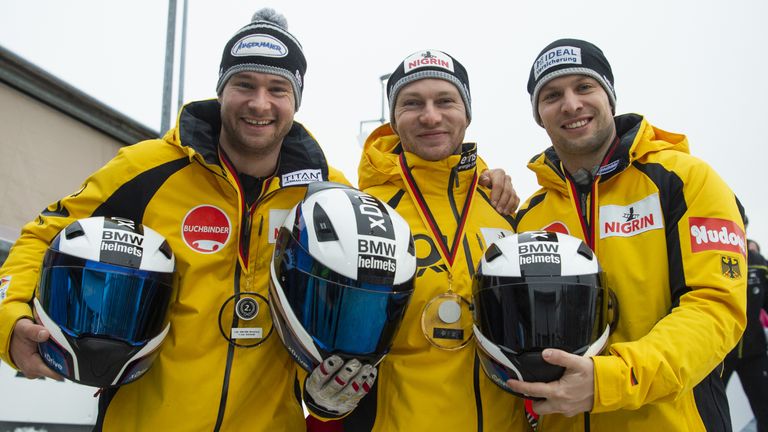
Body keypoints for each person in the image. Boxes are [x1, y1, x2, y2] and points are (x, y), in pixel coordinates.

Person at [0, 10, 517, 432]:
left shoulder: (328, 194)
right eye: (244, 85)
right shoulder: (146, 169)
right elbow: (43, 235)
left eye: (278, 89)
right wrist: (11, 323)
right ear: (222, 90)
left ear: (296, 100)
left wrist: (328, 396)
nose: (260, 104)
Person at [510, 38, 746, 431]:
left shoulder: (683, 179)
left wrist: (611, 380)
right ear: (539, 115)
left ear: (610, 96)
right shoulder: (530, 215)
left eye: (584, 87)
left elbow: (715, 309)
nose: (571, 104)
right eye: (552, 95)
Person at [331, 49, 527, 432]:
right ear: (393, 119)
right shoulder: (364, 213)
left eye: (445, 101)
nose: (430, 116)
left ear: (467, 114)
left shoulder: (501, 208)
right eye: (412, 103)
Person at [723, 237, 768, 431]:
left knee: (764, 406)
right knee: (707, 408)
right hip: (720, 352)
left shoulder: (759, 263)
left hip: (754, 351)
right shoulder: (714, 254)